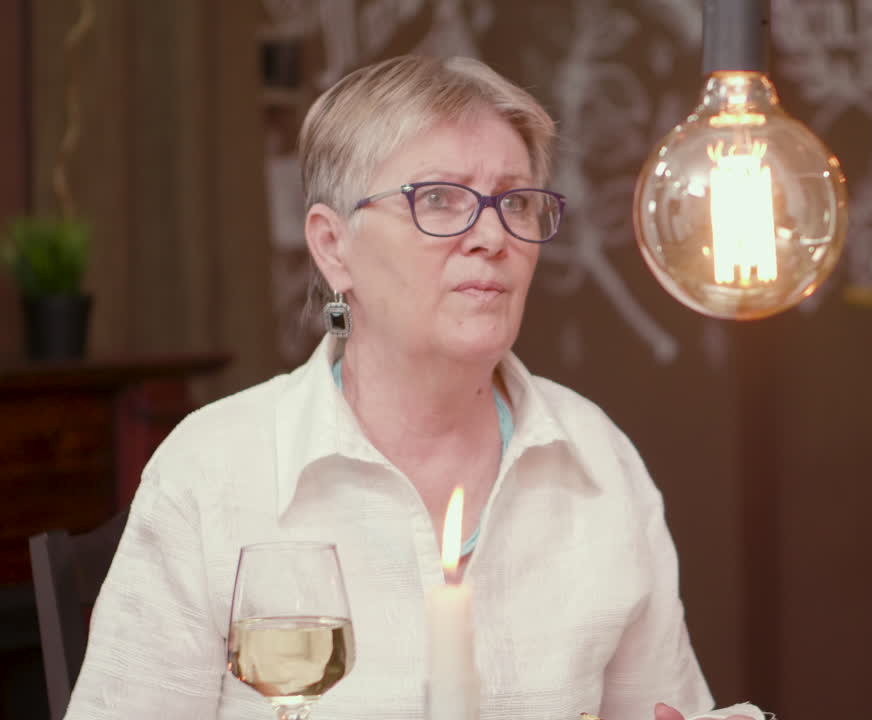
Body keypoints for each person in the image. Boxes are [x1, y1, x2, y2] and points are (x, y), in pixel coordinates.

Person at [62, 54, 760, 720]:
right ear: (334, 247)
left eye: (516, 202)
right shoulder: (212, 472)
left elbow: (667, 707)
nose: (493, 236)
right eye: (439, 198)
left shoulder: (597, 460)